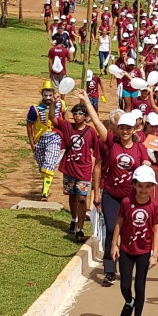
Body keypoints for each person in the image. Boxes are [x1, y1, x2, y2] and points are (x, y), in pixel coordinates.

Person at [77, 90, 150, 286]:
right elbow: (97, 124)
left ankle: (126, 265)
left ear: (134, 129)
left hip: (132, 199)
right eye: (122, 128)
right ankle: (109, 269)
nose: (125, 131)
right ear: (117, 129)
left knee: (127, 232)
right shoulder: (111, 142)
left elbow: (146, 165)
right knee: (111, 229)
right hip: (111, 195)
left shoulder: (140, 148)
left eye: (129, 128)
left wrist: (146, 166)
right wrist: (86, 102)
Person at [111, 165, 158, 316]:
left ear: (152, 187)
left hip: (143, 252)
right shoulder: (126, 202)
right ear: (133, 184)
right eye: (140, 185)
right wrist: (114, 244)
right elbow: (119, 223)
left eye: (147, 186)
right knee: (125, 285)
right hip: (126, 249)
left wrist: (154, 254)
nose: (143, 190)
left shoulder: (155, 206)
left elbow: (157, 230)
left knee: (139, 286)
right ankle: (128, 302)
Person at [48, 101, 100, 243]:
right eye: (74, 113)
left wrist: (96, 167)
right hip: (69, 169)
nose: (77, 116)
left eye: (80, 114)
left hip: (83, 170)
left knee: (82, 198)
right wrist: (53, 102)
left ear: (86, 116)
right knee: (71, 195)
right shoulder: (67, 126)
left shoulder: (90, 132)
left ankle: (80, 228)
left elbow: (96, 150)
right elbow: (52, 118)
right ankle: (73, 218)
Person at [26, 81, 66, 200]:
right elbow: (29, 125)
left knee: (49, 164)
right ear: (42, 95)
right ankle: (45, 185)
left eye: (50, 95)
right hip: (40, 138)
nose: (48, 98)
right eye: (45, 95)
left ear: (53, 94)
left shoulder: (61, 104)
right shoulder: (35, 109)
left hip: (55, 136)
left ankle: (45, 192)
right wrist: (32, 142)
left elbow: (65, 118)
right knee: (42, 165)